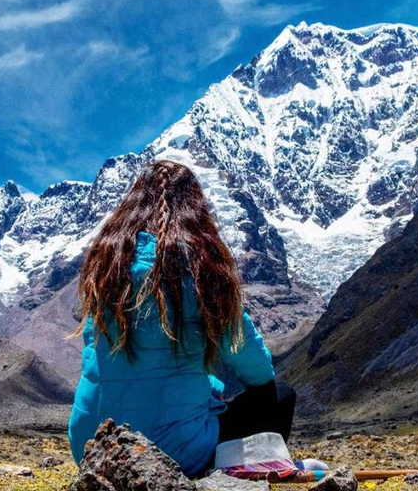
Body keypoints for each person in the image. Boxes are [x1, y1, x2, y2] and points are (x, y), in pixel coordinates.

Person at [68, 160, 296, 478]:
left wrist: (206, 388)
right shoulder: (203, 269)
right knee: (279, 396)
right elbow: (255, 367)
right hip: (173, 455)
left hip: (93, 448)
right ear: (195, 207)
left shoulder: (106, 266)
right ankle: (233, 474)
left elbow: (113, 365)